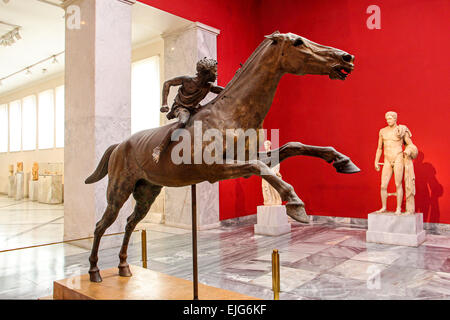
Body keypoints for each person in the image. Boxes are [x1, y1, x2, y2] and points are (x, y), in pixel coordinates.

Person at [152, 57, 224, 163]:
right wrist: (164, 103)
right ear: (206, 74)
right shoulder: (187, 80)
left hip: (195, 108)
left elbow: (223, 90)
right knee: (183, 121)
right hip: (181, 107)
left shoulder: (208, 86)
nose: (217, 74)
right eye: (215, 71)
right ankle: (159, 148)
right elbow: (167, 83)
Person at [374, 111, 415, 214]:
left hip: (398, 158)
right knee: (383, 185)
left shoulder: (401, 130)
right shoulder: (382, 131)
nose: (388, 120)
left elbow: (411, 145)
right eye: (387, 118)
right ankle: (384, 207)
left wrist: (408, 151)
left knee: (398, 184)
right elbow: (379, 148)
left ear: (395, 119)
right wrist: (376, 161)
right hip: (387, 159)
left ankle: (398, 208)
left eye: (390, 118)